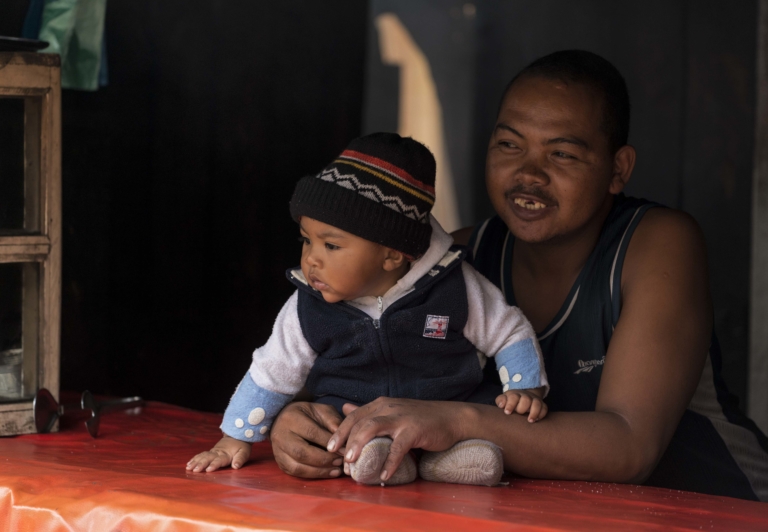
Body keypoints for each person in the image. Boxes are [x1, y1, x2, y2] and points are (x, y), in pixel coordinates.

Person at [269, 50, 768, 501]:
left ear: (618, 168)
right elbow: (357, 372)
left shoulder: (656, 243)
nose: (529, 173)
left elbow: (630, 448)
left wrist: (455, 420)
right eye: (509, 145)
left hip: (724, 508)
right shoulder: (455, 261)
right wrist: (301, 422)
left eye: (562, 153)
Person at [186, 132, 549, 486]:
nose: (311, 259)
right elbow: (271, 371)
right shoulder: (306, 307)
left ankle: (455, 457)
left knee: (473, 447)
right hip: (355, 423)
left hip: (449, 419)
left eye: (331, 246)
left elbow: (509, 332)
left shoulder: (454, 286)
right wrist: (235, 438)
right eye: (306, 240)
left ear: (392, 255)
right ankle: (378, 457)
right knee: (353, 441)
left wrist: (525, 388)